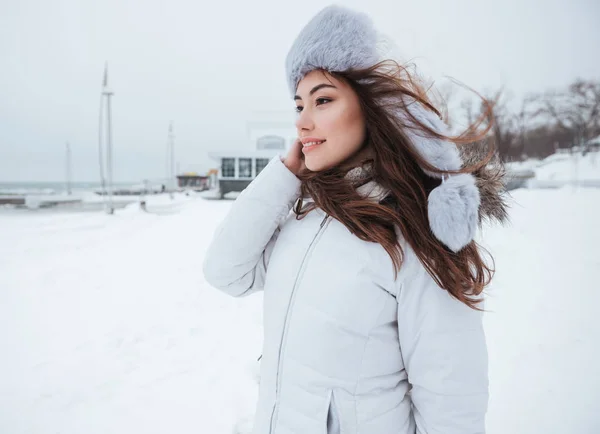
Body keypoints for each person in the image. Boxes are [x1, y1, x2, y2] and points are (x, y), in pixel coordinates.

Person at [203, 5, 508, 434]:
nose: (302, 121)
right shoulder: (302, 216)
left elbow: (451, 404)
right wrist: (283, 177)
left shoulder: (414, 235)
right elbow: (224, 272)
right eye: (298, 105)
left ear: (372, 108)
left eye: (322, 100)